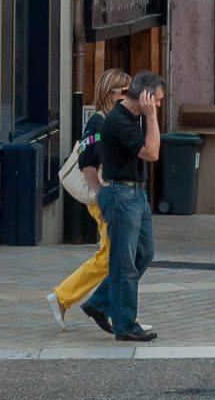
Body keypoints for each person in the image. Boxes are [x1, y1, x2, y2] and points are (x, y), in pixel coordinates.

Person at [47, 69, 156, 333]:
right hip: (110, 198)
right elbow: (87, 163)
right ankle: (67, 297)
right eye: (125, 91)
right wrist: (100, 196)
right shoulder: (98, 122)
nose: (132, 96)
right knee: (113, 257)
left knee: (120, 256)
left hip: (119, 196)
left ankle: (101, 304)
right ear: (111, 94)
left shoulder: (120, 119)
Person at [80, 70, 165, 342]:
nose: (159, 106)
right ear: (146, 97)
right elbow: (152, 153)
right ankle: (125, 325)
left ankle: (100, 302)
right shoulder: (119, 120)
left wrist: (148, 116)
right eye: (158, 100)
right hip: (121, 196)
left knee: (145, 254)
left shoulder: (133, 117)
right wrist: (152, 117)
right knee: (124, 263)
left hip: (136, 196)